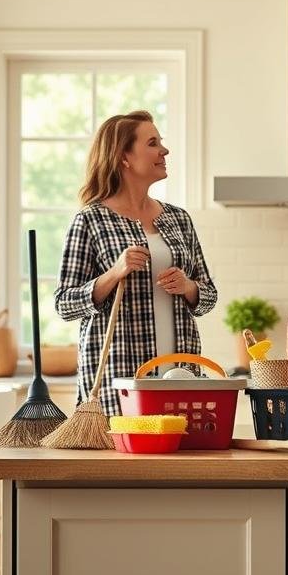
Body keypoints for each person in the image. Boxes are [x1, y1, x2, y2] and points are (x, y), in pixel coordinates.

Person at [54, 110, 218, 414]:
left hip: (180, 374)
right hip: (119, 379)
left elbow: (208, 296)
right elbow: (65, 304)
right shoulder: (90, 220)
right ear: (124, 157)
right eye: (153, 143)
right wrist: (115, 273)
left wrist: (188, 286)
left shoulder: (179, 219)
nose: (164, 150)